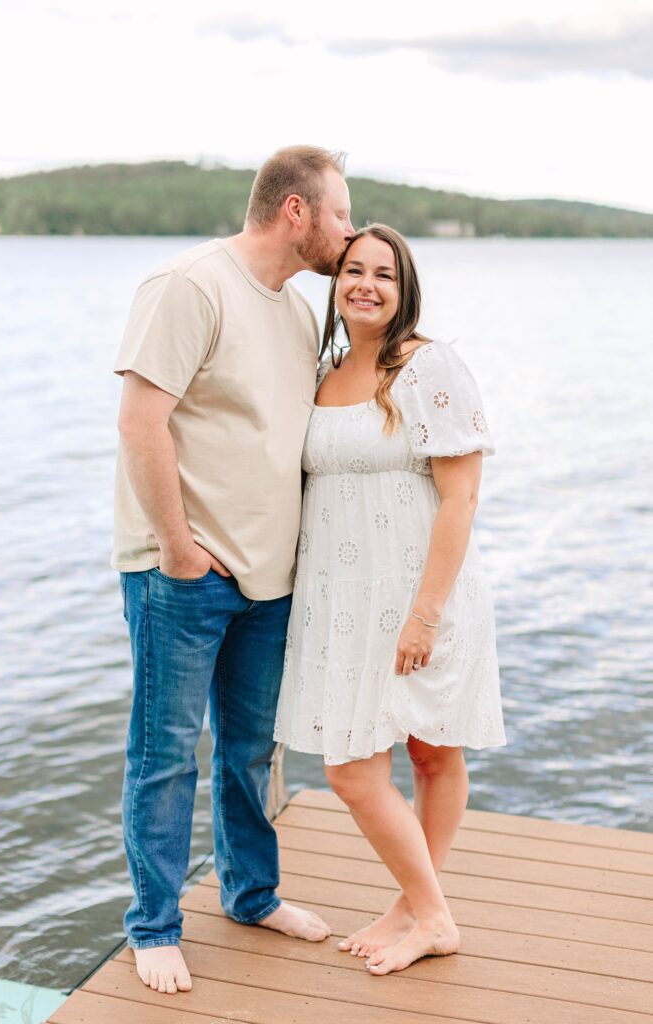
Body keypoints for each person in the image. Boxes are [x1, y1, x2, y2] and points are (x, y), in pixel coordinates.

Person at [112, 145, 354, 994]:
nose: (347, 234)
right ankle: (153, 924)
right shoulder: (189, 286)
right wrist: (178, 551)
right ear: (297, 212)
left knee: (251, 752)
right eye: (340, 215)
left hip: (269, 581)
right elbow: (141, 422)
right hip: (183, 574)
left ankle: (252, 895)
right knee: (166, 754)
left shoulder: (294, 309)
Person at [274, 223, 507, 975]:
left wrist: (424, 615)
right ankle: (421, 905)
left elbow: (460, 500)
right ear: (334, 283)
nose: (365, 285)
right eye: (351, 271)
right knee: (354, 769)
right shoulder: (327, 372)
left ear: (404, 289)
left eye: (383, 274)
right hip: (342, 602)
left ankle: (422, 912)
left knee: (432, 753)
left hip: (419, 594)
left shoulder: (428, 365)